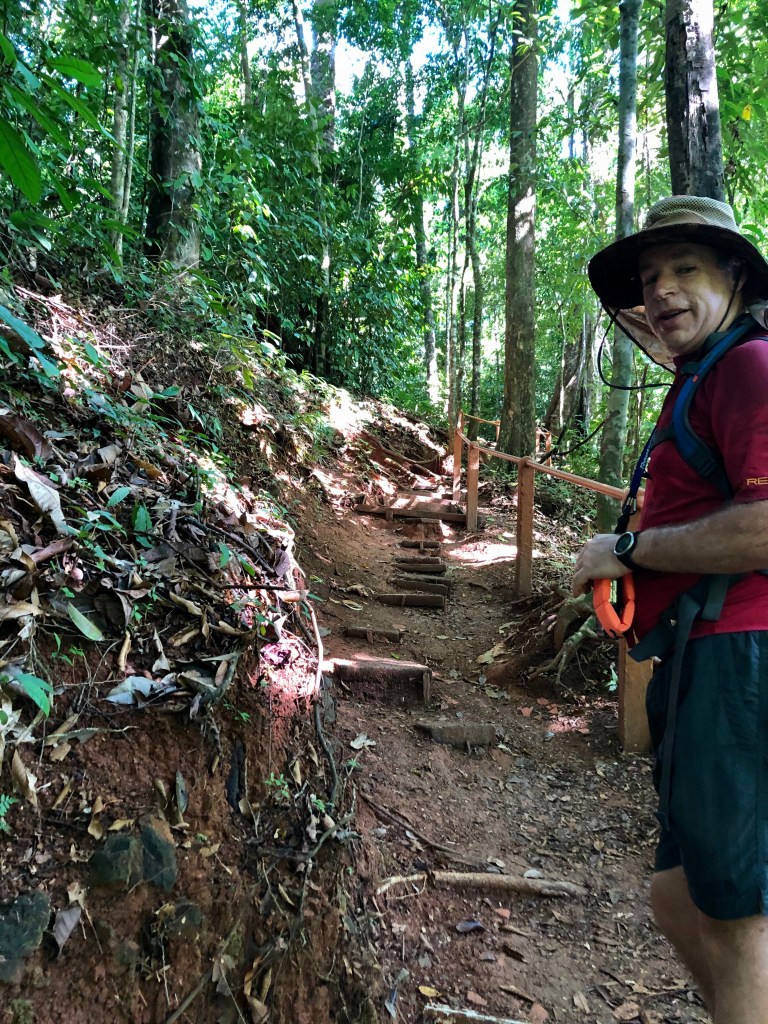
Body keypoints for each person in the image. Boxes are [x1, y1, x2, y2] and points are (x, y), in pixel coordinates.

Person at [573, 196, 768, 1024]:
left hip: (739, 655)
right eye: (650, 277)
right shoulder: (700, 377)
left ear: (734, 277)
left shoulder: (749, 367)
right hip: (696, 659)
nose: (661, 291)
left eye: (685, 268)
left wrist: (628, 550)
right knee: (675, 894)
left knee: (734, 917)